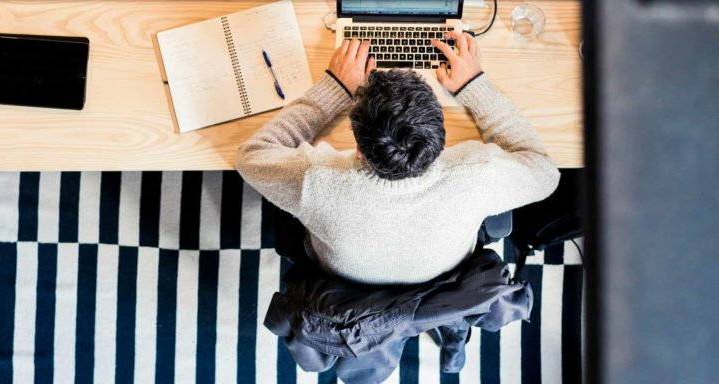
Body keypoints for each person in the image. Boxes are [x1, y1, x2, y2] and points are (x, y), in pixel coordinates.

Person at [236, 32, 560, 285]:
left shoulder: (318, 179)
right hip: (442, 283)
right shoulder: (476, 175)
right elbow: (544, 170)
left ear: (360, 150)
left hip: (342, 286)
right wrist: (474, 86)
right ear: (440, 138)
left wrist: (335, 88)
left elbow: (252, 155)